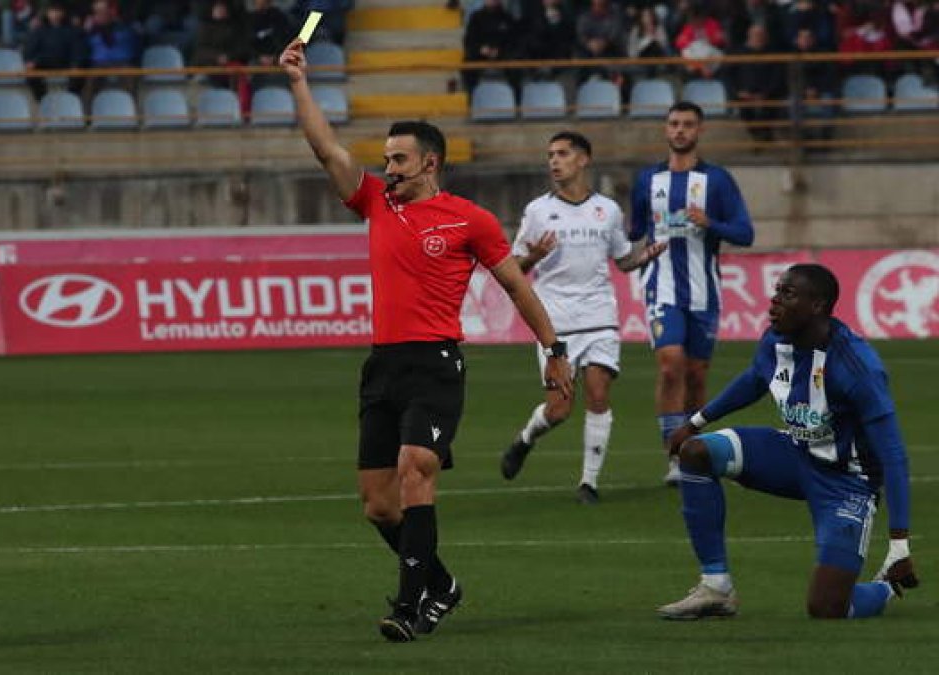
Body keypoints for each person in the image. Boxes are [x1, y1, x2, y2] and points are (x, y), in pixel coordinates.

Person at [279, 37, 573, 643]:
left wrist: (555, 351)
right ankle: (442, 583)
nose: (389, 170)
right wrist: (298, 83)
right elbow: (325, 148)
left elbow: (516, 286)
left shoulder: (471, 220)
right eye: (386, 160)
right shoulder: (376, 205)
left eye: (400, 161)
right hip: (382, 365)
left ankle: (411, 607)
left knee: (418, 469)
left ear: (431, 163)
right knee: (378, 505)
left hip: (436, 364)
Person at [658, 264, 918, 619]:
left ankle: (886, 584)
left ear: (817, 306)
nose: (774, 301)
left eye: (787, 294)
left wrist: (899, 543)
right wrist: (695, 422)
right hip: (794, 454)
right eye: (777, 291)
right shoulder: (775, 340)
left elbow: (893, 455)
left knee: (827, 608)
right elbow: (754, 380)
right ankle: (715, 587)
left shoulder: (857, 366)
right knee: (697, 453)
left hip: (847, 484)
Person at [500, 131, 666, 504]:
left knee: (598, 391)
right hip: (554, 321)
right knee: (559, 410)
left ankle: (588, 483)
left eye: (561, 154)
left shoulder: (607, 210)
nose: (553, 161)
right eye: (550, 155)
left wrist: (645, 256)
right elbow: (513, 269)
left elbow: (623, 261)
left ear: (583, 159)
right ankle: (526, 438)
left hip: (599, 316)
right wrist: (535, 256)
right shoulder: (537, 211)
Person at [629, 101, 754, 485]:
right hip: (661, 286)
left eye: (687, 124)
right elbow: (632, 233)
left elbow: (745, 233)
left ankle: (692, 452)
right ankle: (673, 457)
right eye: (673, 124)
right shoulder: (647, 181)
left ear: (699, 131)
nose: (679, 130)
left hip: (704, 292)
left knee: (697, 375)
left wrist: (711, 222)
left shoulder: (716, 181)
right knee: (670, 367)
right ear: (665, 130)